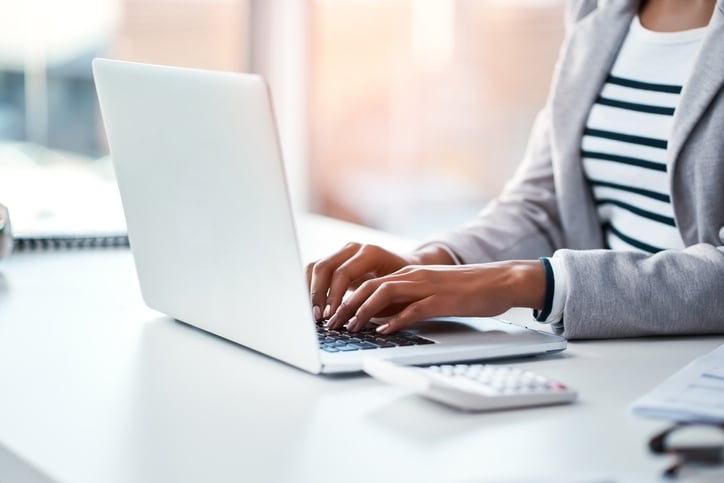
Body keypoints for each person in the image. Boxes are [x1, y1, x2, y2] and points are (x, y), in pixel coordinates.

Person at [306, 0, 724, 339]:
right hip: (612, 353)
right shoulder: (597, 11)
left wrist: (518, 283)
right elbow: (544, 203)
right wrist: (433, 263)